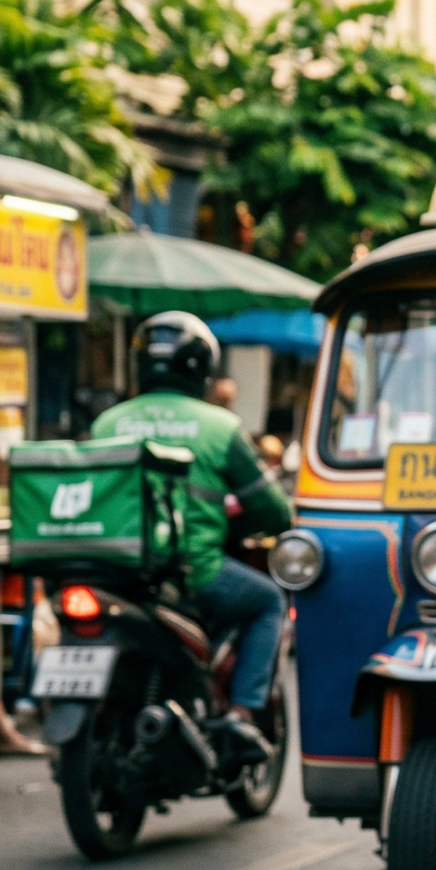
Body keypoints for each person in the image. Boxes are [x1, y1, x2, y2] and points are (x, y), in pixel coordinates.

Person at [93, 312, 294, 761]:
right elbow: (272, 509)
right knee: (268, 603)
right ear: (200, 368)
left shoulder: (107, 423)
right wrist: (285, 527)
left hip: (115, 571)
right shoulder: (220, 427)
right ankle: (242, 714)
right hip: (191, 573)